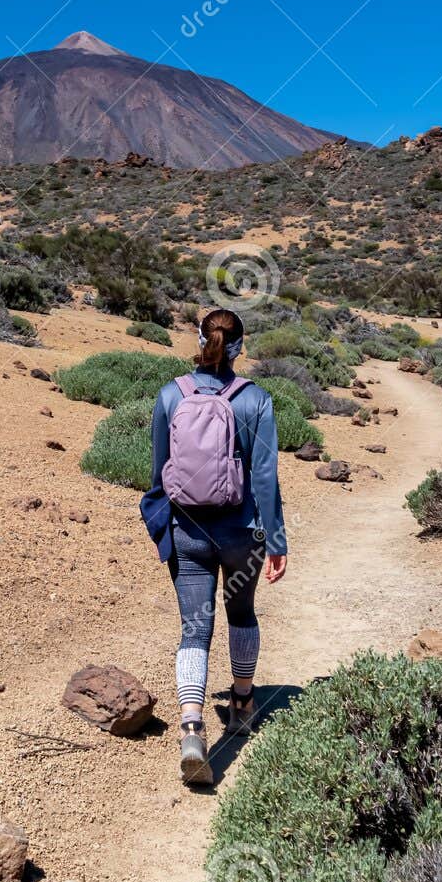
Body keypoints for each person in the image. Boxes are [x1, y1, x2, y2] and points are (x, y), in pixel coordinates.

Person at [140, 308, 287, 785]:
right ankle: (242, 704)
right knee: (241, 614)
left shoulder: (170, 395)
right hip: (242, 534)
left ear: (199, 339)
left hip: (188, 531)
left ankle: (192, 729)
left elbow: (160, 470)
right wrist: (277, 538)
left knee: (193, 629)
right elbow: (264, 477)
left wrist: (160, 522)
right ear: (240, 347)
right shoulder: (256, 400)